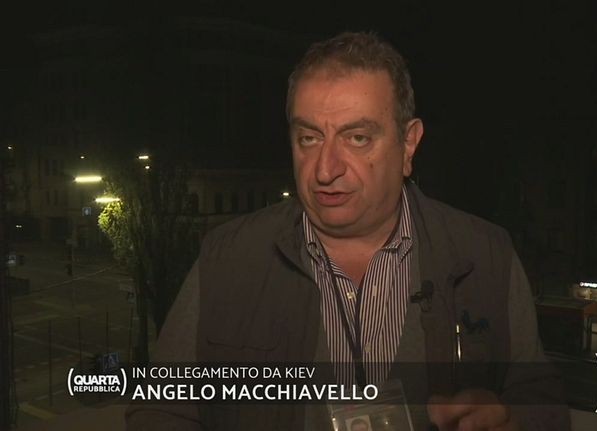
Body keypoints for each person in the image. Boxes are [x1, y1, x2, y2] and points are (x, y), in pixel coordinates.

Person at [126, 31, 570, 430]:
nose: (325, 169)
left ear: (409, 144)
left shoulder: (485, 255)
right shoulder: (227, 258)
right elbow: (160, 408)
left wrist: (514, 420)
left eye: (357, 138)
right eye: (309, 138)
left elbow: (541, 398)